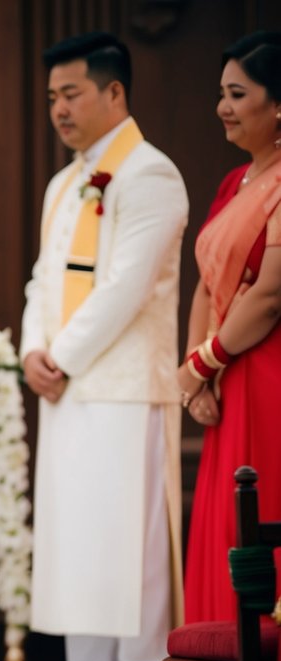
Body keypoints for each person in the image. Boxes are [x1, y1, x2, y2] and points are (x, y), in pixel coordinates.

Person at [14, 32, 188, 661]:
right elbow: (40, 281)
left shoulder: (149, 175)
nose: (57, 108)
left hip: (121, 386)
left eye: (71, 93)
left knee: (131, 544)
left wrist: (61, 356)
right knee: (76, 540)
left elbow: (126, 285)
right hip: (68, 385)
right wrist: (31, 350)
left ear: (113, 93)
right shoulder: (63, 183)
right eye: (51, 96)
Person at [178, 31, 281, 625]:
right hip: (224, 372)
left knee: (257, 514)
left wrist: (199, 365)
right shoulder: (232, 182)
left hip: (263, 376)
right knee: (221, 525)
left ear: (278, 104)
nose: (222, 106)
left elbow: (268, 297)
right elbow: (206, 282)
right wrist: (200, 370)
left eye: (237, 93)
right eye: (220, 92)